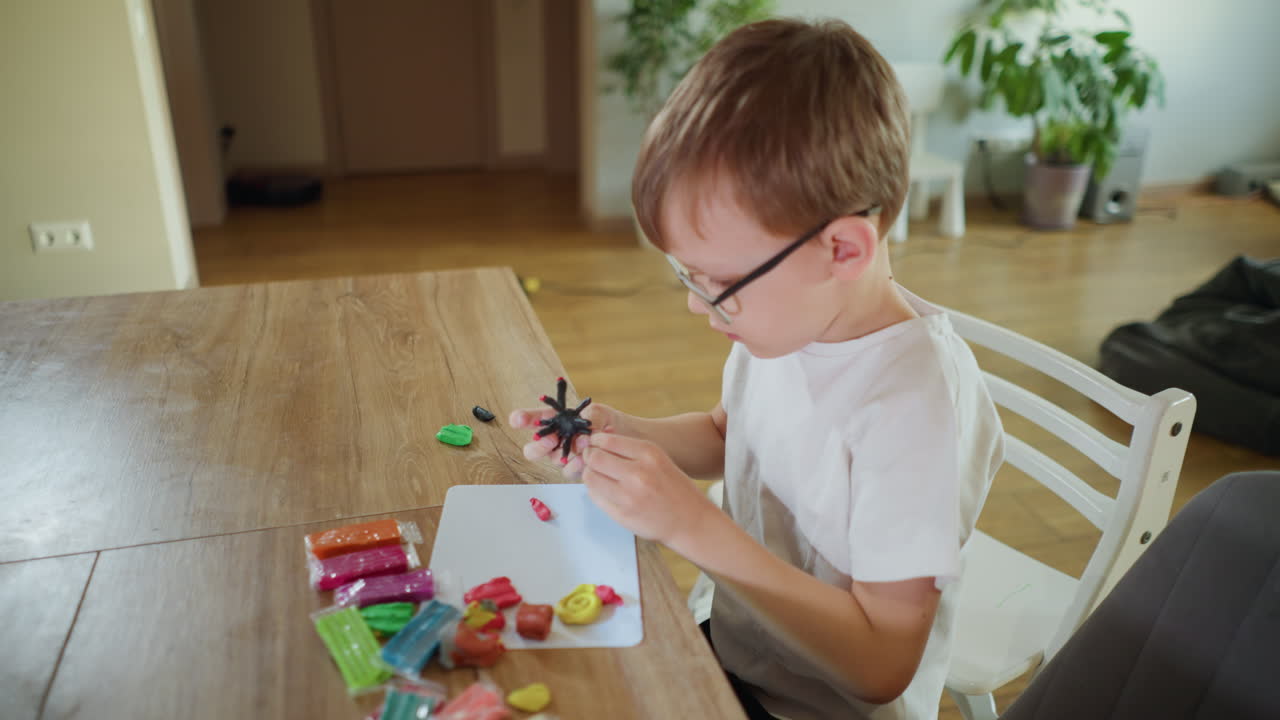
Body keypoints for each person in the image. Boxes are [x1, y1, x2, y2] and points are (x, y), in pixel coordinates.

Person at [511, 17, 1004, 720]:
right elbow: (730, 433)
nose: (695, 302)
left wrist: (689, 527)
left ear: (842, 250)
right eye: (686, 274)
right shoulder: (791, 320)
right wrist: (625, 432)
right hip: (744, 645)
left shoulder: (912, 412)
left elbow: (880, 665)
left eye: (718, 281)